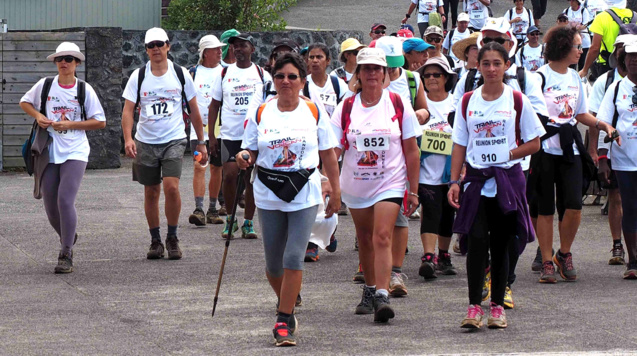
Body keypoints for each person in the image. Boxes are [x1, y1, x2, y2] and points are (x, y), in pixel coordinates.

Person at [236, 52, 341, 346]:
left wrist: (336, 188)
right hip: (268, 192)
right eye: (280, 76)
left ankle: (284, 319)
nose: (286, 81)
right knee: (273, 266)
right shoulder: (261, 112)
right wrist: (244, 157)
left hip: (304, 191)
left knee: (293, 256)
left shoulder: (313, 110)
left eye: (292, 76)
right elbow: (249, 150)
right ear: (273, 80)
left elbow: (328, 154)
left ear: (302, 81)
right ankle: (289, 297)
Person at [449, 42, 545, 329]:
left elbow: (535, 142)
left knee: (502, 244)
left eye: (497, 63)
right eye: (486, 63)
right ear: (478, 66)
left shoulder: (517, 100)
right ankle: (474, 306)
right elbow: (459, 144)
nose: (491, 68)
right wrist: (455, 181)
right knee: (476, 242)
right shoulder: (468, 101)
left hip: (507, 180)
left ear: (506, 66)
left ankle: (497, 306)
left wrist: (510, 154)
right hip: (476, 182)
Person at [331, 47, 421, 323]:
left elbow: (412, 150)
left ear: (384, 74)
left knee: (383, 235)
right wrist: (327, 182)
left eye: (377, 69)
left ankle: (382, 294)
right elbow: (333, 150)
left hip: (390, 182)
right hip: (356, 185)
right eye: (366, 68)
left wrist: (413, 188)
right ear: (358, 73)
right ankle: (369, 291)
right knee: (366, 238)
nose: (372, 73)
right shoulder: (346, 107)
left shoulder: (397, 103)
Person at [530, 25, 619, 283]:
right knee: (545, 208)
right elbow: (534, 115)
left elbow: (580, 114)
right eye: (577, 46)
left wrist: (602, 125)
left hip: (569, 147)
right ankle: (547, 260)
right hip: (545, 147)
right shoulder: (539, 77)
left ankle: (563, 253)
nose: (581, 51)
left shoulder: (575, 78)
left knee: (574, 205)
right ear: (562, 47)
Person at [19, 42, 106, 273]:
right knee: (50, 206)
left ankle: (65, 251)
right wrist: (39, 116)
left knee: (65, 200)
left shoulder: (84, 89)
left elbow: (100, 121)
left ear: (77, 63)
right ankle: (69, 234)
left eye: (69, 58)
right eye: (60, 59)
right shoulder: (45, 85)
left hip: (76, 151)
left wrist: (70, 124)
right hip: (49, 151)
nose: (64, 63)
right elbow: (24, 102)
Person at [122, 27, 207, 260]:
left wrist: (201, 142)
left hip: (174, 139)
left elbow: (194, 110)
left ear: (168, 46)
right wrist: (128, 138)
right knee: (151, 191)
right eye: (151, 45)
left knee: (171, 186)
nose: (156, 48)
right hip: (146, 141)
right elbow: (128, 110)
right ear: (146, 50)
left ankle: (172, 236)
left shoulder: (180, 74)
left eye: (160, 44)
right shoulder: (138, 76)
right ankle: (155, 240)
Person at [209, 33, 270, 239]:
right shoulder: (224, 73)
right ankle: (231, 219)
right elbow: (214, 105)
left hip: (253, 136)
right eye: (235, 46)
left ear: (252, 49)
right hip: (230, 135)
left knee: (251, 179)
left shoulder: (262, 75)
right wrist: (211, 135)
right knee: (229, 176)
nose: (238, 49)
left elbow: (271, 105)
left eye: (243, 46)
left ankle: (249, 222)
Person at [303, 42, 349, 261]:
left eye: (319, 57)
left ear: (328, 61)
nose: (314, 61)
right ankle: (312, 242)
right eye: (311, 57)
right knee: (314, 194)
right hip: (310, 148)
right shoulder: (302, 86)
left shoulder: (338, 85)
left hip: (334, 148)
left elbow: (347, 114)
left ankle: (328, 233)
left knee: (332, 193)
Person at [596, 37, 637, 279]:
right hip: (625, 160)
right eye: (631, 57)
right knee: (630, 209)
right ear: (624, 60)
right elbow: (604, 124)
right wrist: (603, 158)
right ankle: (633, 261)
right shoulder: (615, 89)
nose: (635, 61)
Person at [415, 56, 459, 279]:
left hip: (451, 173)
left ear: (446, 78)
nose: (431, 78)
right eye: (427, 75)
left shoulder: (456, 103)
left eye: (437, 75)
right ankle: (428, 256)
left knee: (447, 214)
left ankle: (443, 254)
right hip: (425, 171)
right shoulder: (418, 104)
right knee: (431, 210)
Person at [588, 35, 629, 266]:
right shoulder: (606, 81)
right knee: (616, 197)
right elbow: (595, 117)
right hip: (614, 150)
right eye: (621, 50)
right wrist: (596, 152)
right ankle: (617, 244)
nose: (625, 55)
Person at [187, 35, 226, 227]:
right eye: (216, 49)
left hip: (220, 131)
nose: (220, 52)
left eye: (220, 48)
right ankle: (199, 209)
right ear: (205, 53)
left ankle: (212, 209)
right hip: (198, 131)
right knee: (199, 165)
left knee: (216, 168)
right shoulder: (192, 73)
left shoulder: (225, 72)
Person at [579, 2, 637, 81]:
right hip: (632, 64)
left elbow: (595, 48)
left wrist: (585, 70)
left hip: (607, 65)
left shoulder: (602, 17)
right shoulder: (635, 16)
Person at [564, 0, 594, 70]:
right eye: (570, 0)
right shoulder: (566, 11)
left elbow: (584, 25)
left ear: (577, 2)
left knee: (582, 64)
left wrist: (572, 27)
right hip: (571, 42)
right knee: (571, 64)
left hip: (584, 41)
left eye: (573, 1)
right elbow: (563, 24)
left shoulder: (584, 11)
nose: (571, 2)